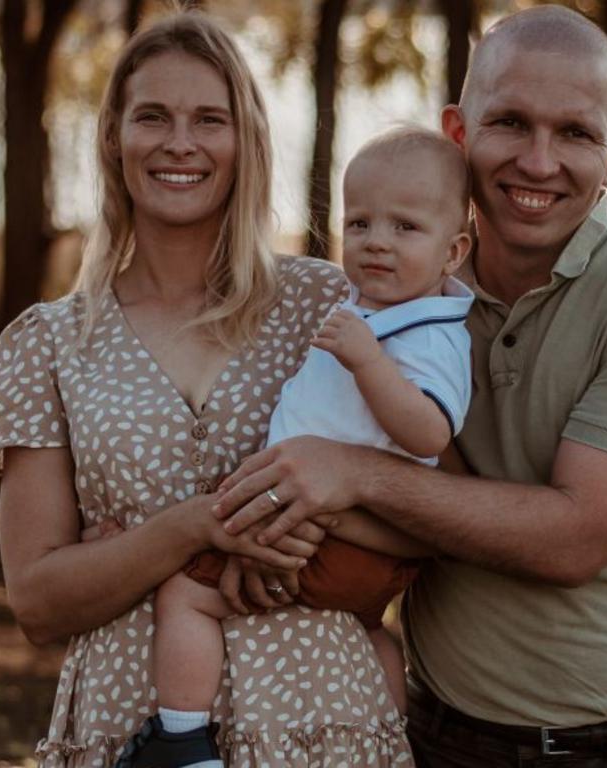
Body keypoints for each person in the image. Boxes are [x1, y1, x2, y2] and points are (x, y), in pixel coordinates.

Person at [212, 6, 607, 767]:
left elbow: (571, 539)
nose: (538, 160)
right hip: (438, 735)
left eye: (577, 134)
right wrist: (241, 536)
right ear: (458, 132)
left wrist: (350, 473)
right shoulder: (399, 298)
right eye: (512, 123)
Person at [0, 11, 414, 767]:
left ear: (244, 141)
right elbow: (41, 602)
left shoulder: (331, 306)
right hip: (129, 726)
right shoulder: (47, 343)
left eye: (210, 119)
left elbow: (427, 515)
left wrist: (330, 519)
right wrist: (191, 527)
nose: (181, 143)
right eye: (154, 117)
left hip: (326, 724)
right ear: (114, 137)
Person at [136, 126, 473, 735]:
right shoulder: (369, 305)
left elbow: (429, 433)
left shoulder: (433, 333)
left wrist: (367, 361)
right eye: (362, 223)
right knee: (371, 630)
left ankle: (180, 740)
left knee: (187, 595)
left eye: (406, 228)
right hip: (359, 550)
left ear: (453, 253)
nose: (377, 243)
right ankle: (389, 737)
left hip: (329, 538)